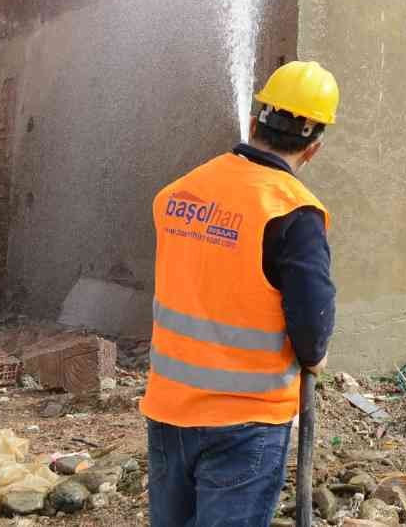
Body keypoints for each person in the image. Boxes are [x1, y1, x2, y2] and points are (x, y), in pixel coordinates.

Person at [140, 61, 339, 527]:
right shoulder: (294, 212)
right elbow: (313, 322)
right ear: (314, 149)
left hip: (169, 409)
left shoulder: (176, 195)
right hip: (245, 423)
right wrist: (315, 356)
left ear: (254, 123)